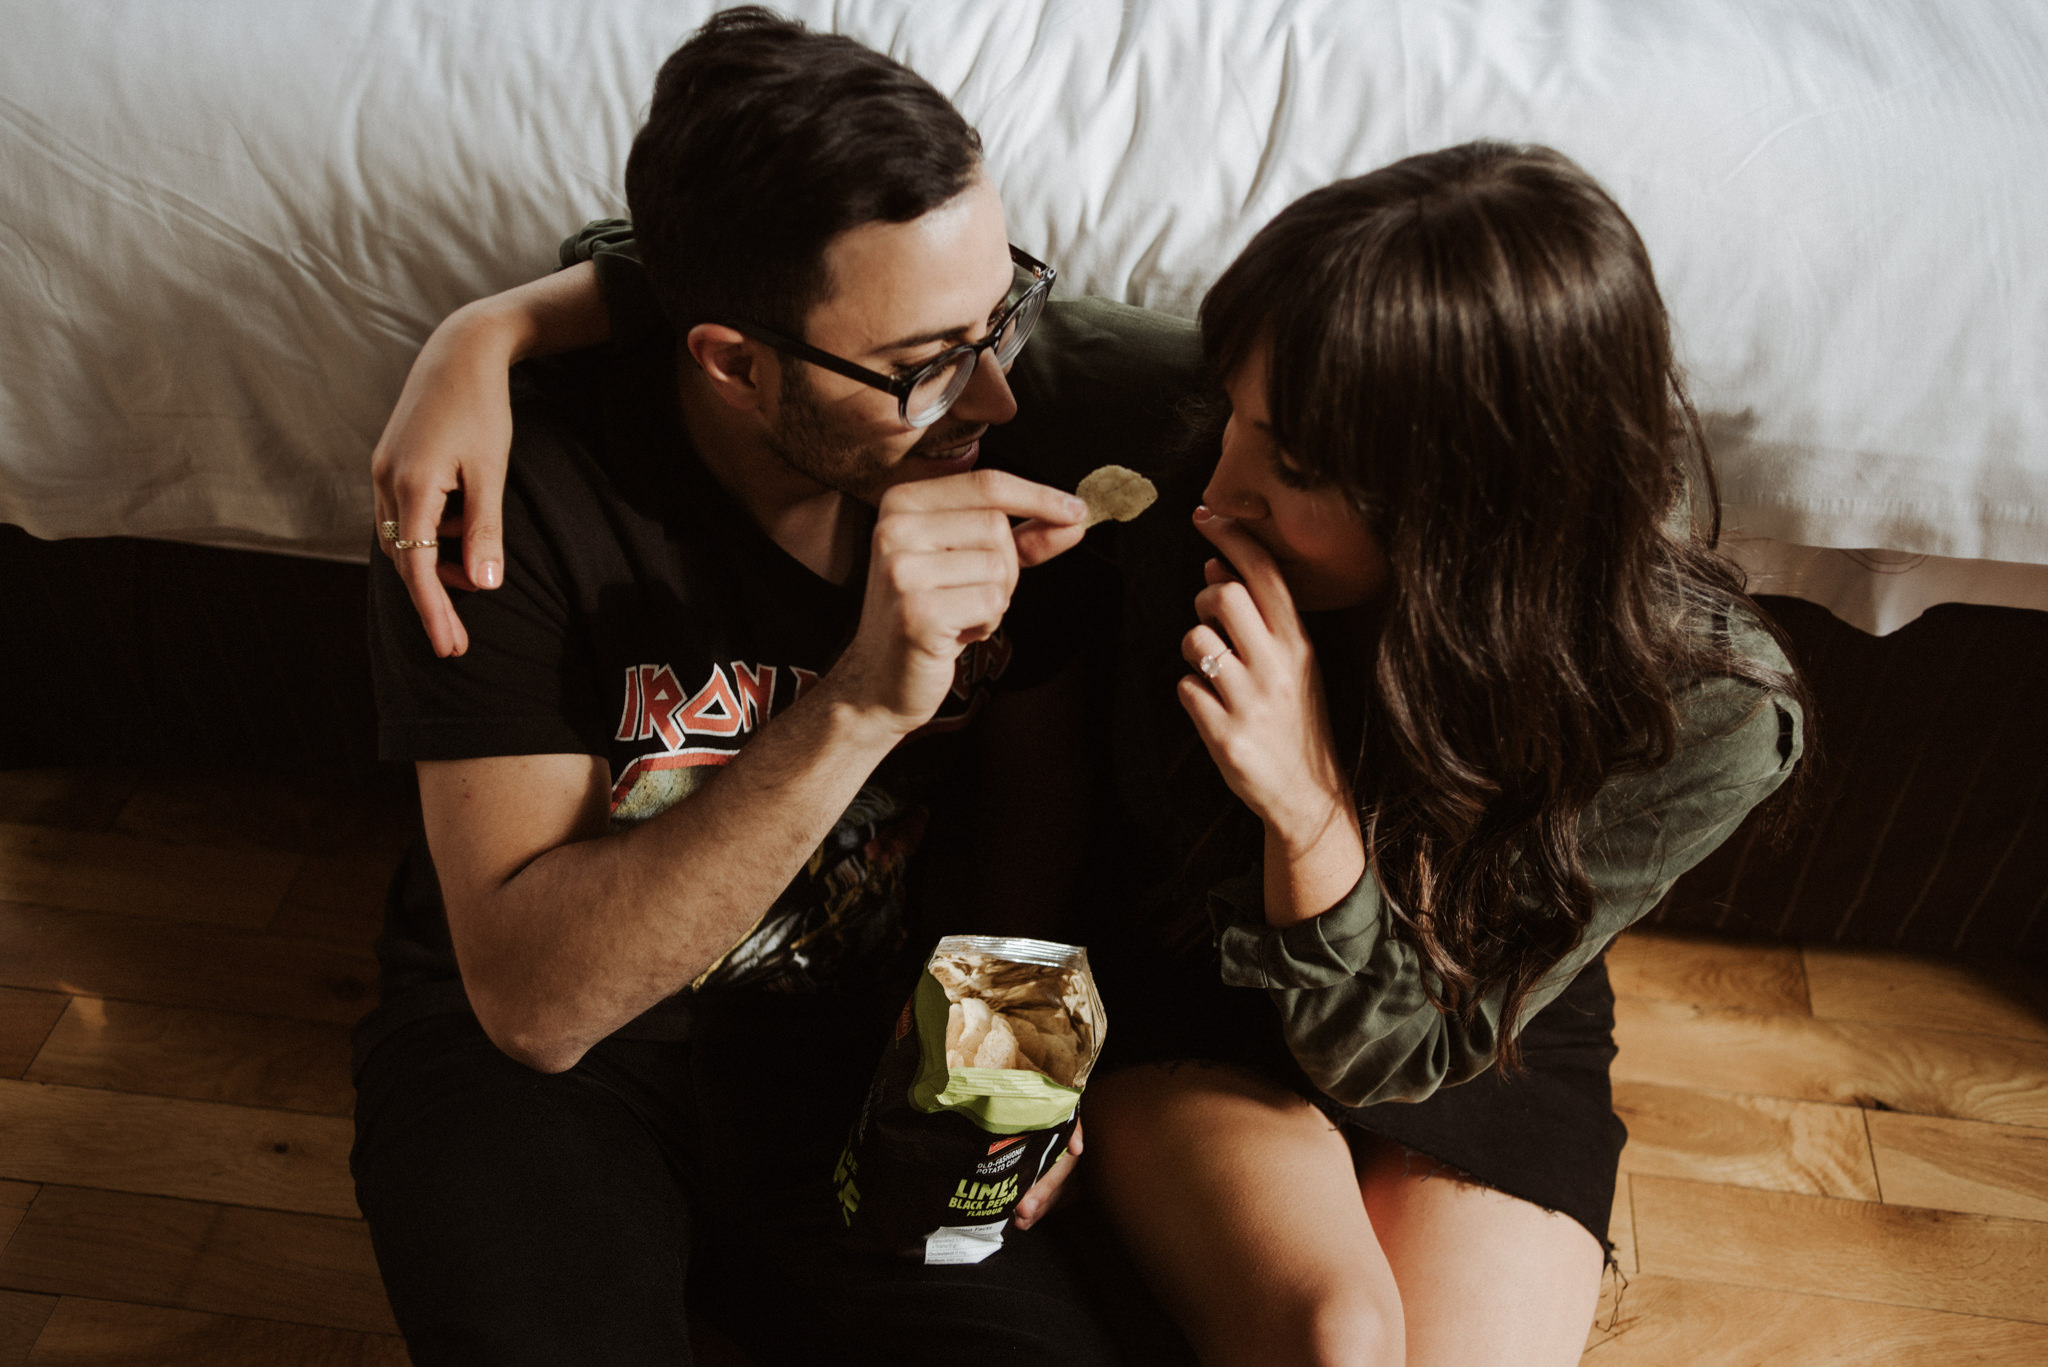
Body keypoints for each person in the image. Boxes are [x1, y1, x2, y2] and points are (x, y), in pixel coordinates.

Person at [376, 134, 1804, 1367]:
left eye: (1294, 470)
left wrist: (1308, 807)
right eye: (1239, 419)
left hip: (1449, 1003)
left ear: (1479, 516)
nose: (1222, 484)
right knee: (1336, 1340)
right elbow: (774, 286)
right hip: (1189, 952)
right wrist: (481, 338)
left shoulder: (1705, 709)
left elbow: (1403, 1049)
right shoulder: (1206, 410)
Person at [355, 9, 1140, 1364]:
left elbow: (1033, 812)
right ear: (730, 362)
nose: (996, 397)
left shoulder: (1019, 452)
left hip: (855, 1044)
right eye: (922, 367)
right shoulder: (513, 501)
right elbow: (536, 1010)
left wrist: (1011, 1062)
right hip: (542, 1062)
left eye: (1000, 307)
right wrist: (860, 707)